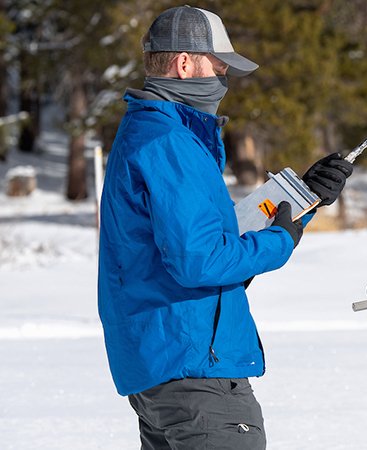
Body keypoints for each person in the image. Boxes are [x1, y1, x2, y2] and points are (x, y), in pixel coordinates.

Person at [97, 6, 352, 449]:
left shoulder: (155, 134)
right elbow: (202, 261)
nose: (223, 78)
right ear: (184, 63)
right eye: (219, 65)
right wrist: (279, 240)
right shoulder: (170, 142)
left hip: (166, 366)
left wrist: (303, 200)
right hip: (195, 370)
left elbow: (200, 241)